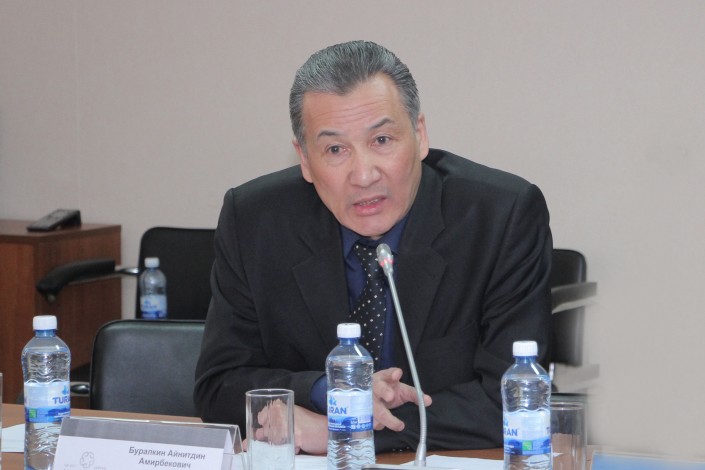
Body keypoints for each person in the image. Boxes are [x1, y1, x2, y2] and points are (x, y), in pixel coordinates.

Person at [194, 40, 552, 454]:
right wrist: (324, 391)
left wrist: (345, 430)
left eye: (382, 140)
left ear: (419, 135)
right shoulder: (255, 221)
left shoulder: (501, 217)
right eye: (335, 149)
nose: (363, 175)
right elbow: (218, 385)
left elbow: (514, 402)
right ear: (304, 159)